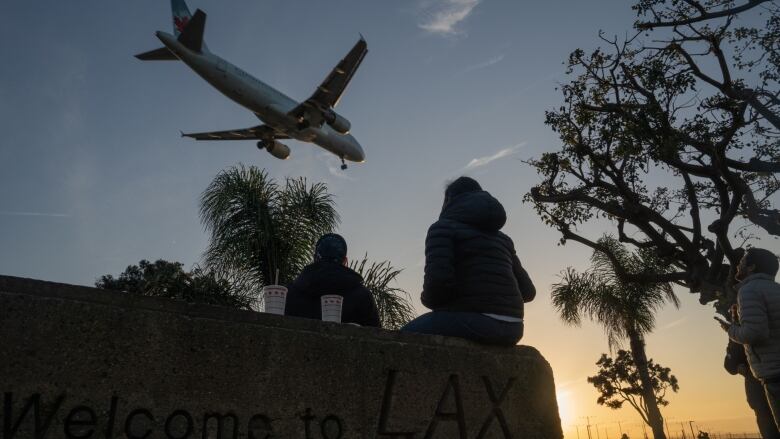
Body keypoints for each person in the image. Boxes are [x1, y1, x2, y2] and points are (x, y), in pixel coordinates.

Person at [401, 176, 535, 345]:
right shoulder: (503, 239)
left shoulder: (442, 228)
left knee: (401, 339)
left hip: (475, 322)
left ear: (449, 199)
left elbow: (437, 285)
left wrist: (431, 301)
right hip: (514, 328)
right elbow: (529, 292)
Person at [724, 247, 780, 429]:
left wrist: (731, 329)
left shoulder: (748, 291)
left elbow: (755, 333)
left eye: (743, 261)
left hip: (774, 372)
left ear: (752, 267)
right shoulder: (775, 289)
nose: (738, 264)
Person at [284, 233, 381, 328]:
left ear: (315, 259)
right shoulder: (363, 296)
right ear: (345, 261)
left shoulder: (287, 293)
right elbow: (378, 336)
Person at [724, 339, 780, 439]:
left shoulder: (743, 330)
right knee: (765, 419)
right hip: (756, 383)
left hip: (768, 378)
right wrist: (737, 367)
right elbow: (729, 364)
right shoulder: (736, 334)